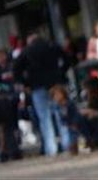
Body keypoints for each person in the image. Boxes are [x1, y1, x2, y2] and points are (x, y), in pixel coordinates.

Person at [13, 29, 72, 157]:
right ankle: (67, 144)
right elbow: (67, 59)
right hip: (55, 84)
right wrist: (61, 73)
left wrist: (26, 83)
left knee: (44, 118)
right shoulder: (52, 46)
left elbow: (16, 68)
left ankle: (51, 148)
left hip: (37, 86)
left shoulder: (27, 51)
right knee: (60, 114)